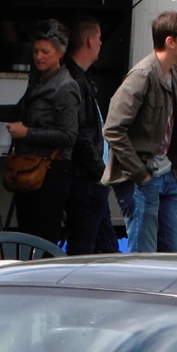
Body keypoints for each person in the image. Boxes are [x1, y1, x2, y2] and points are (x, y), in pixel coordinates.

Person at [104, 11, 177, 252]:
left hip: (168, 175)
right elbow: (113, 129)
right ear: (170, 41)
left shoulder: (175, 75)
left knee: (174, 260)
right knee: (142, 262)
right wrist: (140, 174)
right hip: (143, 179)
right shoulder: (142, 76)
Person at [0, 21, 81, 247]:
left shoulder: (65, 86)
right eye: (36, 51)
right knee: (27, 234)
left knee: (42, 238)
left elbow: (69, 135)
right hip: (30, 168)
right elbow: (19, 111)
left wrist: (27, 133)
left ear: (61, 52)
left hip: (51, 170)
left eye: (45, 52)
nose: (39, 57)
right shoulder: (37, 82)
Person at [63, 14, 118, 256]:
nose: (101, 43)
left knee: (106, 248)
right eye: (99, 38)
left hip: (94, 178)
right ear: (88, 41)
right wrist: (100, 172)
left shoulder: (82, 77)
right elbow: (81, 131)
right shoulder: (75, 80)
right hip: (87, 179)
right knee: (84, 249)